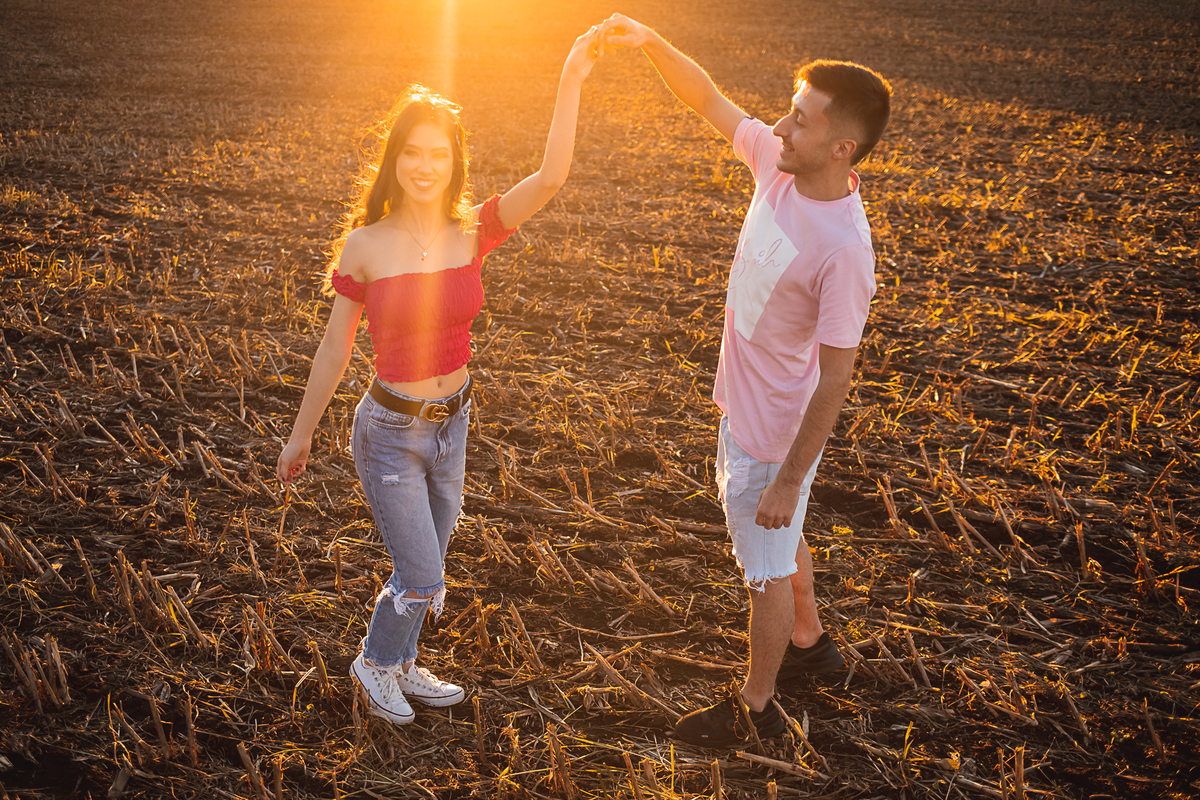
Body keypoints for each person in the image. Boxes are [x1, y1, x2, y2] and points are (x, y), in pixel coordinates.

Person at [276, 27, 600, 727]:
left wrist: (571, 76)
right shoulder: (365, 246)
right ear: (394, 162)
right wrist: (301, 436)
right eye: (412, 154)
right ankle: (373, 663)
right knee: (422, 574)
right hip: (390, 431)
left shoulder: (472, 231)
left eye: (438, 154)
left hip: (455, 424)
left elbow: (551, 178)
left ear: (455, 162)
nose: (424, 167)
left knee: (425, 566)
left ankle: (402, 661)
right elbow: (333, 348)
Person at [598, 15, 892, 748]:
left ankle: (756, 707)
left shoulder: (845, 250)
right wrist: (651, 42)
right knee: (783, 546)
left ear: (842, 147)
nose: (780, 127)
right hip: (746, 410)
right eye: (789, 111)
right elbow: (706, 97)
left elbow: (836, 378)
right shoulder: (778, 165)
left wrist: (788, 478)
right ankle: (811, 644)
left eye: (801, 119)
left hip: (773, 437)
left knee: (763, 573)